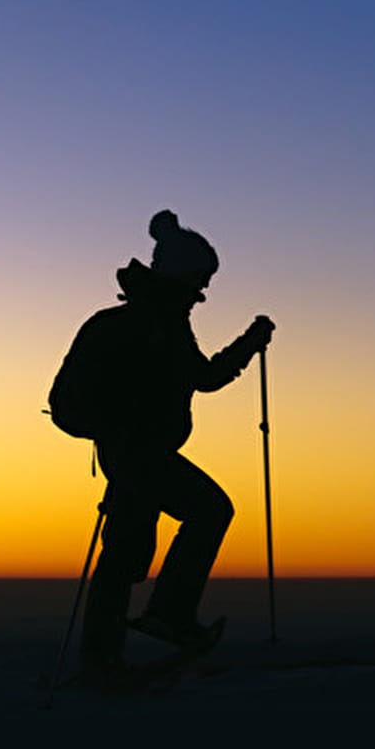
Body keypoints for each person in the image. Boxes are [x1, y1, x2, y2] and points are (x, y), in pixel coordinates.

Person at [50, 210, 273, 688]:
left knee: (129, 552)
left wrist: (249, 345)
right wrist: (117, 428)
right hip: (135, 455)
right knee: (202, 514)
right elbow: (65, 404)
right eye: (200, 280)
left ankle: (113, 650)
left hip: (140, 453)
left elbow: (203, 378)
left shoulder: (166, 326)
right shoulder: (124, 326)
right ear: (178, 277)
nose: (203, 292)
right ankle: (144, 631)